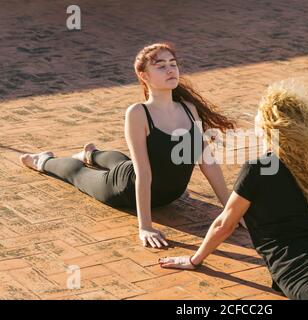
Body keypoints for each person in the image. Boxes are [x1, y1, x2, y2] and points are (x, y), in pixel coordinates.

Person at [158, 80, 308, 300]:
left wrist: (194, 259)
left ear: (268, 124)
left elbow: (226, 224)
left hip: (298, 269)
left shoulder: (257, 168)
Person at [19, 42, 236, 249]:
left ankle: (92, 154)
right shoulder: (138, 113)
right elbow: (143, 172)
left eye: (173, 63)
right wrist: (145, 227)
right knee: (76, 173)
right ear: (144, 76)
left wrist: (230, 211)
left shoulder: (189, 109)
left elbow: (207, 161)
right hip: (125, 189)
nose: (170, 69)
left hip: (170, 194)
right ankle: (43, 160)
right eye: (160, 66)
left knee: (123, 161)